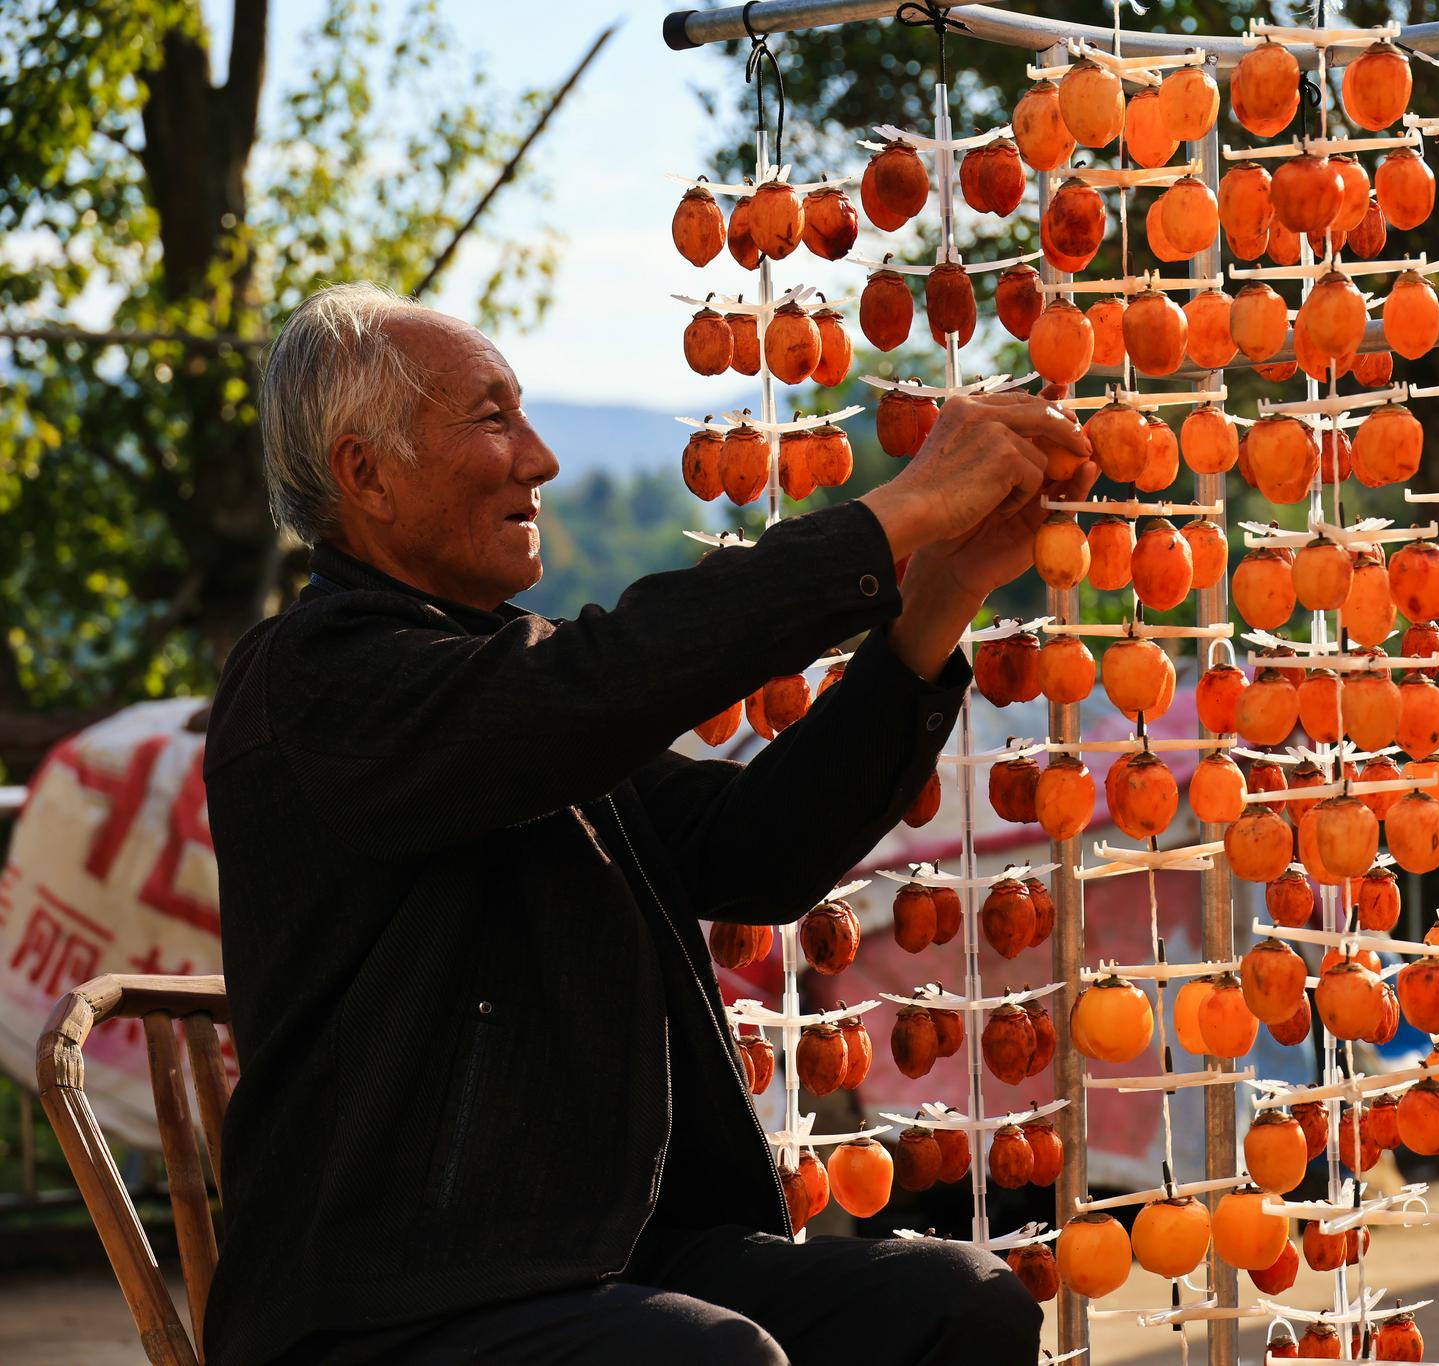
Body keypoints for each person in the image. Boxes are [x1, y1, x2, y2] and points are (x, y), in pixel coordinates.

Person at [200, 281, 1094, 1366]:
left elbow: (755, 851)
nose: (540, 457)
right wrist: (896, 513)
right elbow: (594, 682)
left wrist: (936, 596)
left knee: (960, 1301)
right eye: (493, 419)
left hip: (596, 1257)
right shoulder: (311, 681)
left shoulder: (503, 693)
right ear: (364, 474)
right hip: (382, 1298)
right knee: (710, 1360)